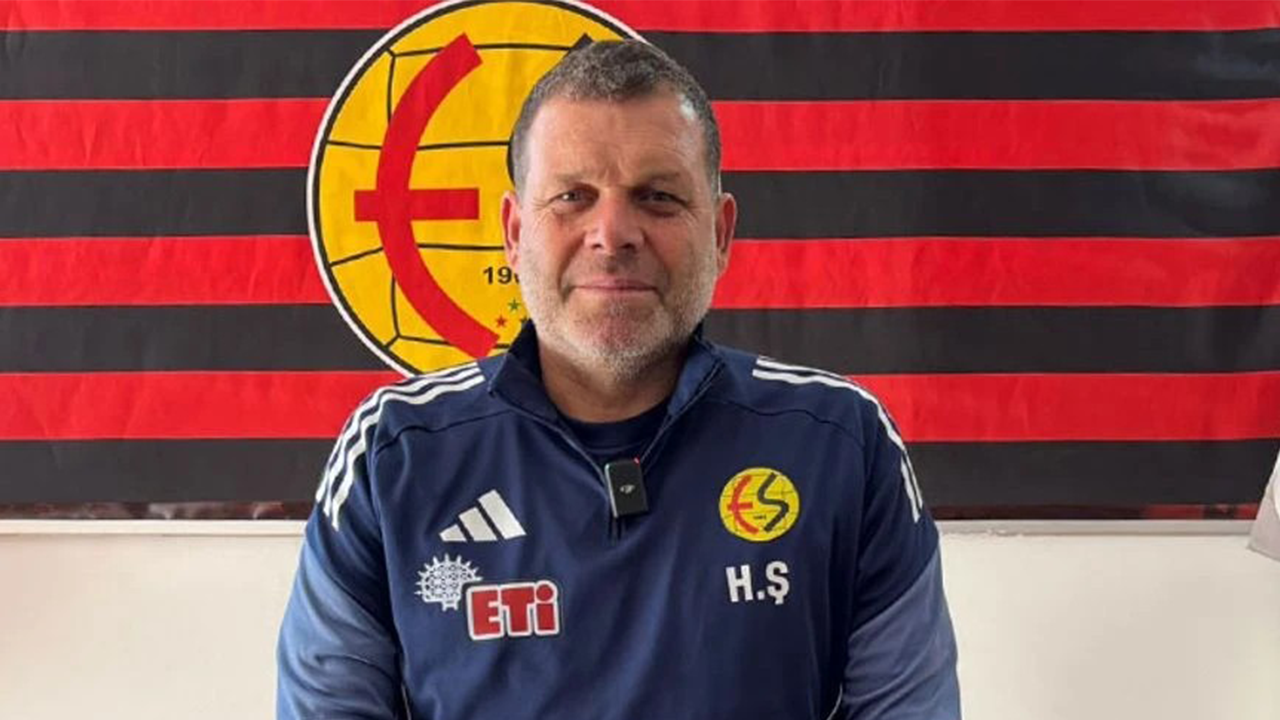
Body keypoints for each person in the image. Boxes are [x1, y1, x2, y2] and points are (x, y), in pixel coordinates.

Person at [278, 40, 960, 719]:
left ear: (720, 233)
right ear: (514, 233)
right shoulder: (394, 454)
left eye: (658, 197)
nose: (612, 233)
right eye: (572, 197)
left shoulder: (840, 443)